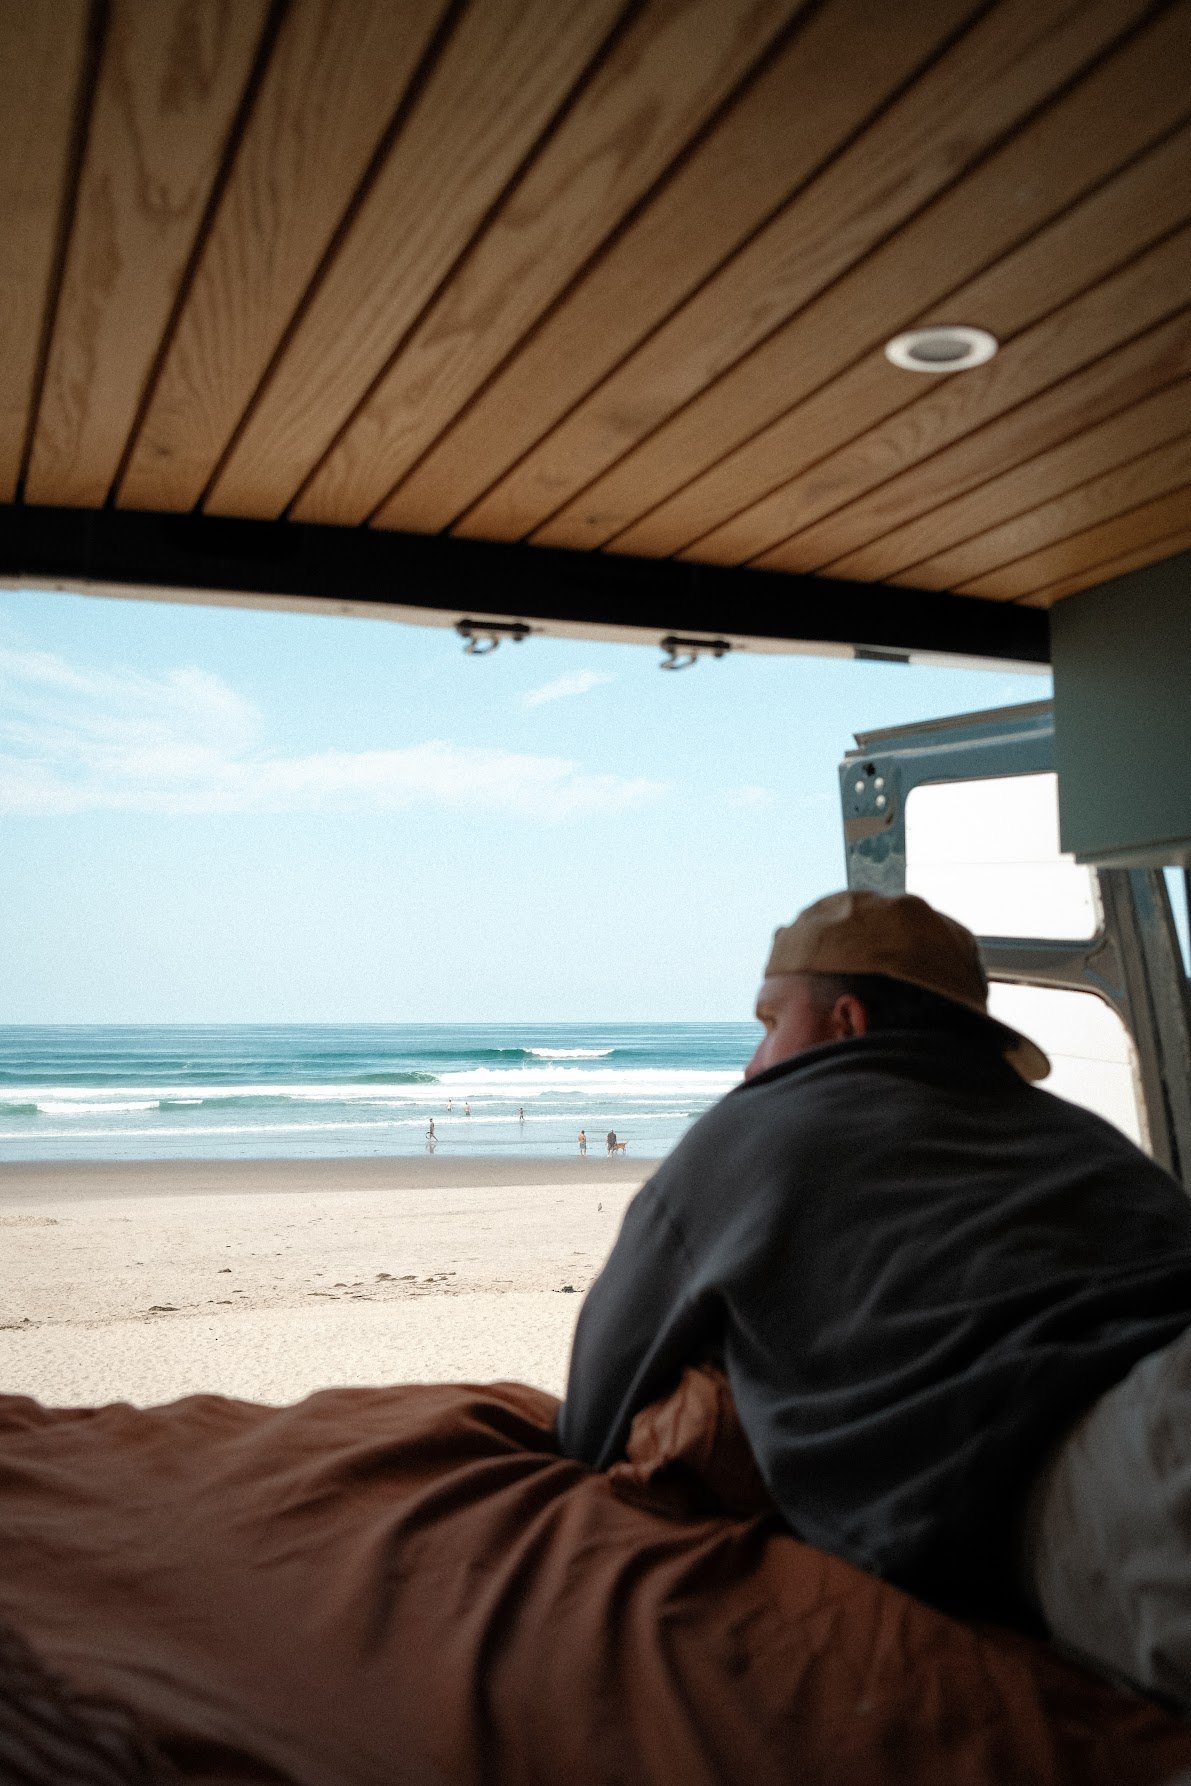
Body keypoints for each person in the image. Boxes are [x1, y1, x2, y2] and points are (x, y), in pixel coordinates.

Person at [557, 889, 1191, 1698]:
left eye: (766, 1023)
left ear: (845, 1023)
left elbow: (589, 1418)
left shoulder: (759, 1128)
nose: (750, 1065)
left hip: (1124, 1468)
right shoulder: (1088, 1143)